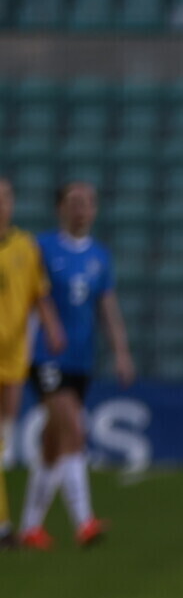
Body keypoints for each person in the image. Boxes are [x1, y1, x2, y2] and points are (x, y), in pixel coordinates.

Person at [18, 180, 132, 551]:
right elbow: (26, 294)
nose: (81, 209)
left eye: (88, 203)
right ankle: (84, 521)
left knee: (53, 444)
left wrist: (121, 351)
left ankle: (30, 527)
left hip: (81, 360)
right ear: (60, 208)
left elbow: (107, 307)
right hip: (46, 354)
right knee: (73, 428)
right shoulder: (42, 247)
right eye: (74, 202)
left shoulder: (100, 256)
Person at [0, 176, 68, 548]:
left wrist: (53, 327)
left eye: (4, 198)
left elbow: (38, 294)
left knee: (3, 440)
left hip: (13, 356)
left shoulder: (25, 246)